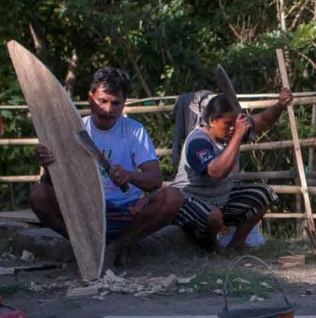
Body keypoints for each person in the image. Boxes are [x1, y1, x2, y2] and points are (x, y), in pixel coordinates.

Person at [30, 67, 183, 274]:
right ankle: (84, 246)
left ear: (124, 103)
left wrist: (128, 175)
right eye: (102, 100)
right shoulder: (75, 130)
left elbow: (155, 180)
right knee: (39, 194)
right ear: (90, 97)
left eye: (116, 103)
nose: (108, 109)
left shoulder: (133, 130)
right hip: (85, 214)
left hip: (127, 213)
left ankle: (114, 248)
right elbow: (50, 185)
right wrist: (48, 165)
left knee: (172, 197)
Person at [172, 88, 293, 252]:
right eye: (227, 125)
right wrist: (238, 135)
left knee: (263, 194)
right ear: (212, 121)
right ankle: (210, 247)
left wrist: (280, 105)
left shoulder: (233, 130)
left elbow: (264, 120)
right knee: (213, 216)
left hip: (221, 198)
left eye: (234, 125)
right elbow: (217, 172)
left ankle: (237, 244)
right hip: (189, 199)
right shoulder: (198, 142)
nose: (231, 129)